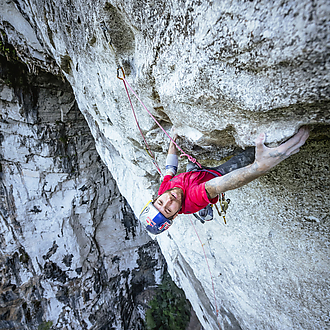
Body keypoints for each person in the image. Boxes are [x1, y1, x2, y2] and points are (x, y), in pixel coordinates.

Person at [139, 127, 310, 235]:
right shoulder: (193, 198)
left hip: (192, 176)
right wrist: (259, 167)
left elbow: (170, 169)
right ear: (176, 215)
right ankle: (205, 207)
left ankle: (205, 206)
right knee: (245, 157)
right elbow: (222, 184)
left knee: (191, 159)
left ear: (156, 197)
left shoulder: (164, 190)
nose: (168, 200)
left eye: (160, 202)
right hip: (212, 175)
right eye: (168, 210)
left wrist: (173, 141)